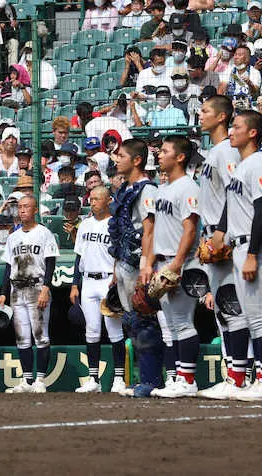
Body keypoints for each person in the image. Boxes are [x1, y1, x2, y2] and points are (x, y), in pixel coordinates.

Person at [196, 95, 251, 400]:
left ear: (221, 117)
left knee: (234, 309)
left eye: (205, 111)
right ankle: (235, 376)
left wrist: (222, 233)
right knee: (225, 312)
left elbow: (236, 194)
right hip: (214, 237)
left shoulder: (227, 151)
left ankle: (239, 377)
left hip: (225, 239)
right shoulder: (215, 151)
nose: (200, 115)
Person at [146, 135, 201, 398]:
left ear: (179, 157)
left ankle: (188, 380)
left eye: (164, 150)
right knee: (172, 325)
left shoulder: (188, 187)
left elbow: (190, 229)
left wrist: (177, 264)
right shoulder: (164, 188)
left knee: (182, 323)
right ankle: (181, 377)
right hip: (164, 261)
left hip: (182, 263)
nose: (159, 154)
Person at [108, 138, 160, 395]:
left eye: (122, 156)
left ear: (137, 160)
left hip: (140, 262)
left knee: (145, 320)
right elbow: (119, 232)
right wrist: (115, 270)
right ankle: (142, 378)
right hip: (124, 261)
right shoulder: (125, 189)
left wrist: (146, 266)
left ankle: (151, 380)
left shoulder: (147, 190)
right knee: (132, 321)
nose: (117, 159)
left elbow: (149, 232)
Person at [0, 195, 59, 393]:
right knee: (22, 337)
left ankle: (40, 380)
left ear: (35, 210)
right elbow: (8, 267)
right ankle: (26, 380)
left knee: (40, 336)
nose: (22, 210)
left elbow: (50, 262)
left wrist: (46, 288)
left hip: (36, 287)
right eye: (20, 207)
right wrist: (3, 293)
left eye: (27, 207)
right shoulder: (13, 237)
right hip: (17, 289)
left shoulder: (44, 233)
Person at [70, 186, 127, 394]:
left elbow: (121, 256)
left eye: (96, 199)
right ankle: (93, 379)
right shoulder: (84, 225)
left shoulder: (115, 224)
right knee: (91, 331)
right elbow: (79, 256)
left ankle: (119, 378)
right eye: (90, 199)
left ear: (108, 200)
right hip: (88, 281)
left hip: (108, 281)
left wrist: (118, 280)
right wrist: (75, 284)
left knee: (114, 331)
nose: (92, 202)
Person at [223, 109, 262, 401]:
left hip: (251, 247)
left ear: (252, 132)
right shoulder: (242, 166)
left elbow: (261, 210)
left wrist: (252, 253)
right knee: (251, 317)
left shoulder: (258, 162)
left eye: (236, 126)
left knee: (258, 318)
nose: (231, 131)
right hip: (237, 246)